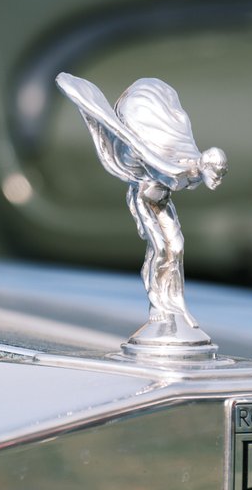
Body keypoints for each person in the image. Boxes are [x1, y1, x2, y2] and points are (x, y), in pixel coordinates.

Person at [57, 74, 227, 346]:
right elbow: (162, 166)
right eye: (215, 174)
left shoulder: (191, 164)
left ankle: (176, 307)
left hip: (161, 202)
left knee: (178, 246)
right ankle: (159, 308)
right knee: (161, 249)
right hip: (146, 201)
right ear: (207, 167)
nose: (216, 180)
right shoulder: (180, 169)